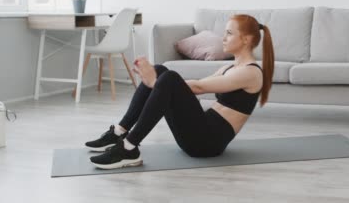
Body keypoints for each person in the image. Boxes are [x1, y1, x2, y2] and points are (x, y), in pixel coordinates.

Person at [86, 14, 275, 169]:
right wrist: (158, 82)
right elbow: (198, 85)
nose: (223, 38)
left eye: (229, 33)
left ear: (246, 39)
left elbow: (199, 87)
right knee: (162, 71)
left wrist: (157, 83)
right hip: (201, 131)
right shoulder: (229, 68)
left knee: (167, 78)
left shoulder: (251, 72)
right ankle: (119, 132)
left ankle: (128, 148)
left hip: (207, 143)